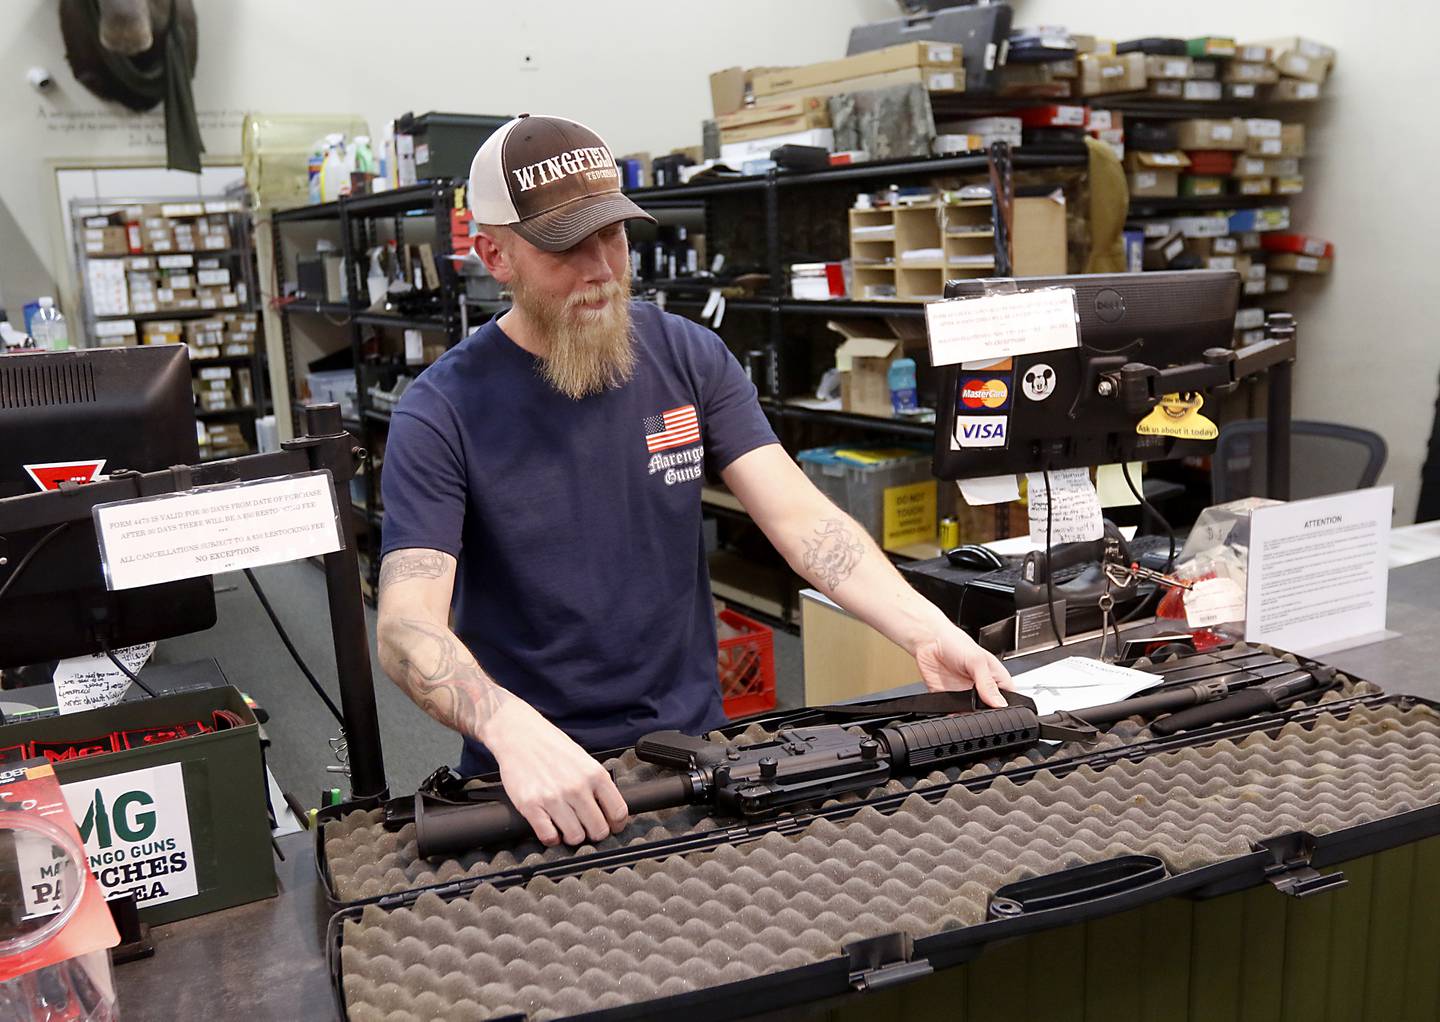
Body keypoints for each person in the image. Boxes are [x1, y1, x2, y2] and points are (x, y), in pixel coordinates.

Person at [376, 113, 1012, 849]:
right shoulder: (441, 411)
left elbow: (807, 523)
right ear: (495, 255)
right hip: (533, 777)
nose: (602, 270)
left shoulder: (688, 356)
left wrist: (929, 631)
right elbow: (404, 624)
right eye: (565, 248)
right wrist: (507, 727)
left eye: (611, 235)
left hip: (695, 754)